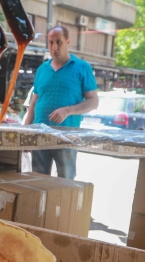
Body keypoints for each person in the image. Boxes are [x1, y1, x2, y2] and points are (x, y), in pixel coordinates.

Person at [21, 26, 99, 180]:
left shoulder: (82, 67)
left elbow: (93, 101)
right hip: (39, 133)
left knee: (65, 181)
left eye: (59, 42)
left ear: (68, 41)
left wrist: (68, 111)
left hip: (66, 135)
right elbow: (34, 103)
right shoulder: (42, 69)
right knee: (38, 180)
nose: (54, 47)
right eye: (50, 42)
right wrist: (25, 134)